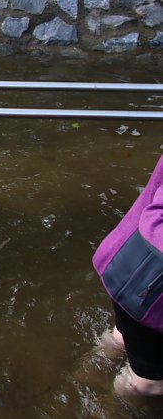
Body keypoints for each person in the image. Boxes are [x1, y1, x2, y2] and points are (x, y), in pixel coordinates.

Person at [93, 153, 163, 399]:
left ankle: (87, 377)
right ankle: (107, 410)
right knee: (145, 384)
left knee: (121, 338)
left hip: (126, 257)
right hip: (154, 290)